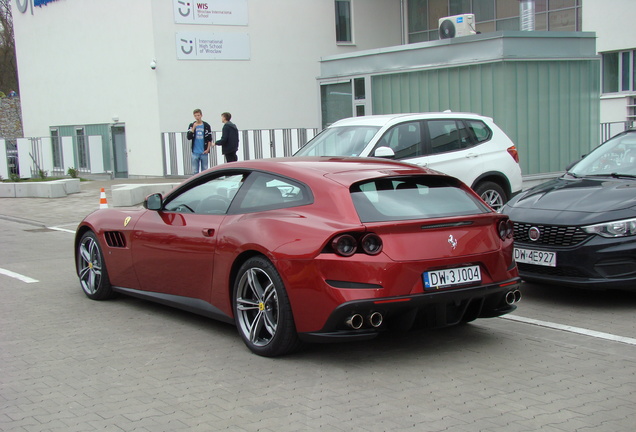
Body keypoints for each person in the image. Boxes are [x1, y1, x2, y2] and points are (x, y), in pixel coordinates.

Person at [186, 108, 212, 174]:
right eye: (195, 116)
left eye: (198, 115)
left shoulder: (206, 125)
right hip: (195, 152)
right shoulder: (191, 125)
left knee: (205, 170)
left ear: (201, 115)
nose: (197, 117)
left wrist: (208, 149)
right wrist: (193, 128)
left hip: (204, 152)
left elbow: (209, 139)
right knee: (195, 171)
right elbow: (189, 137)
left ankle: (204, 183)